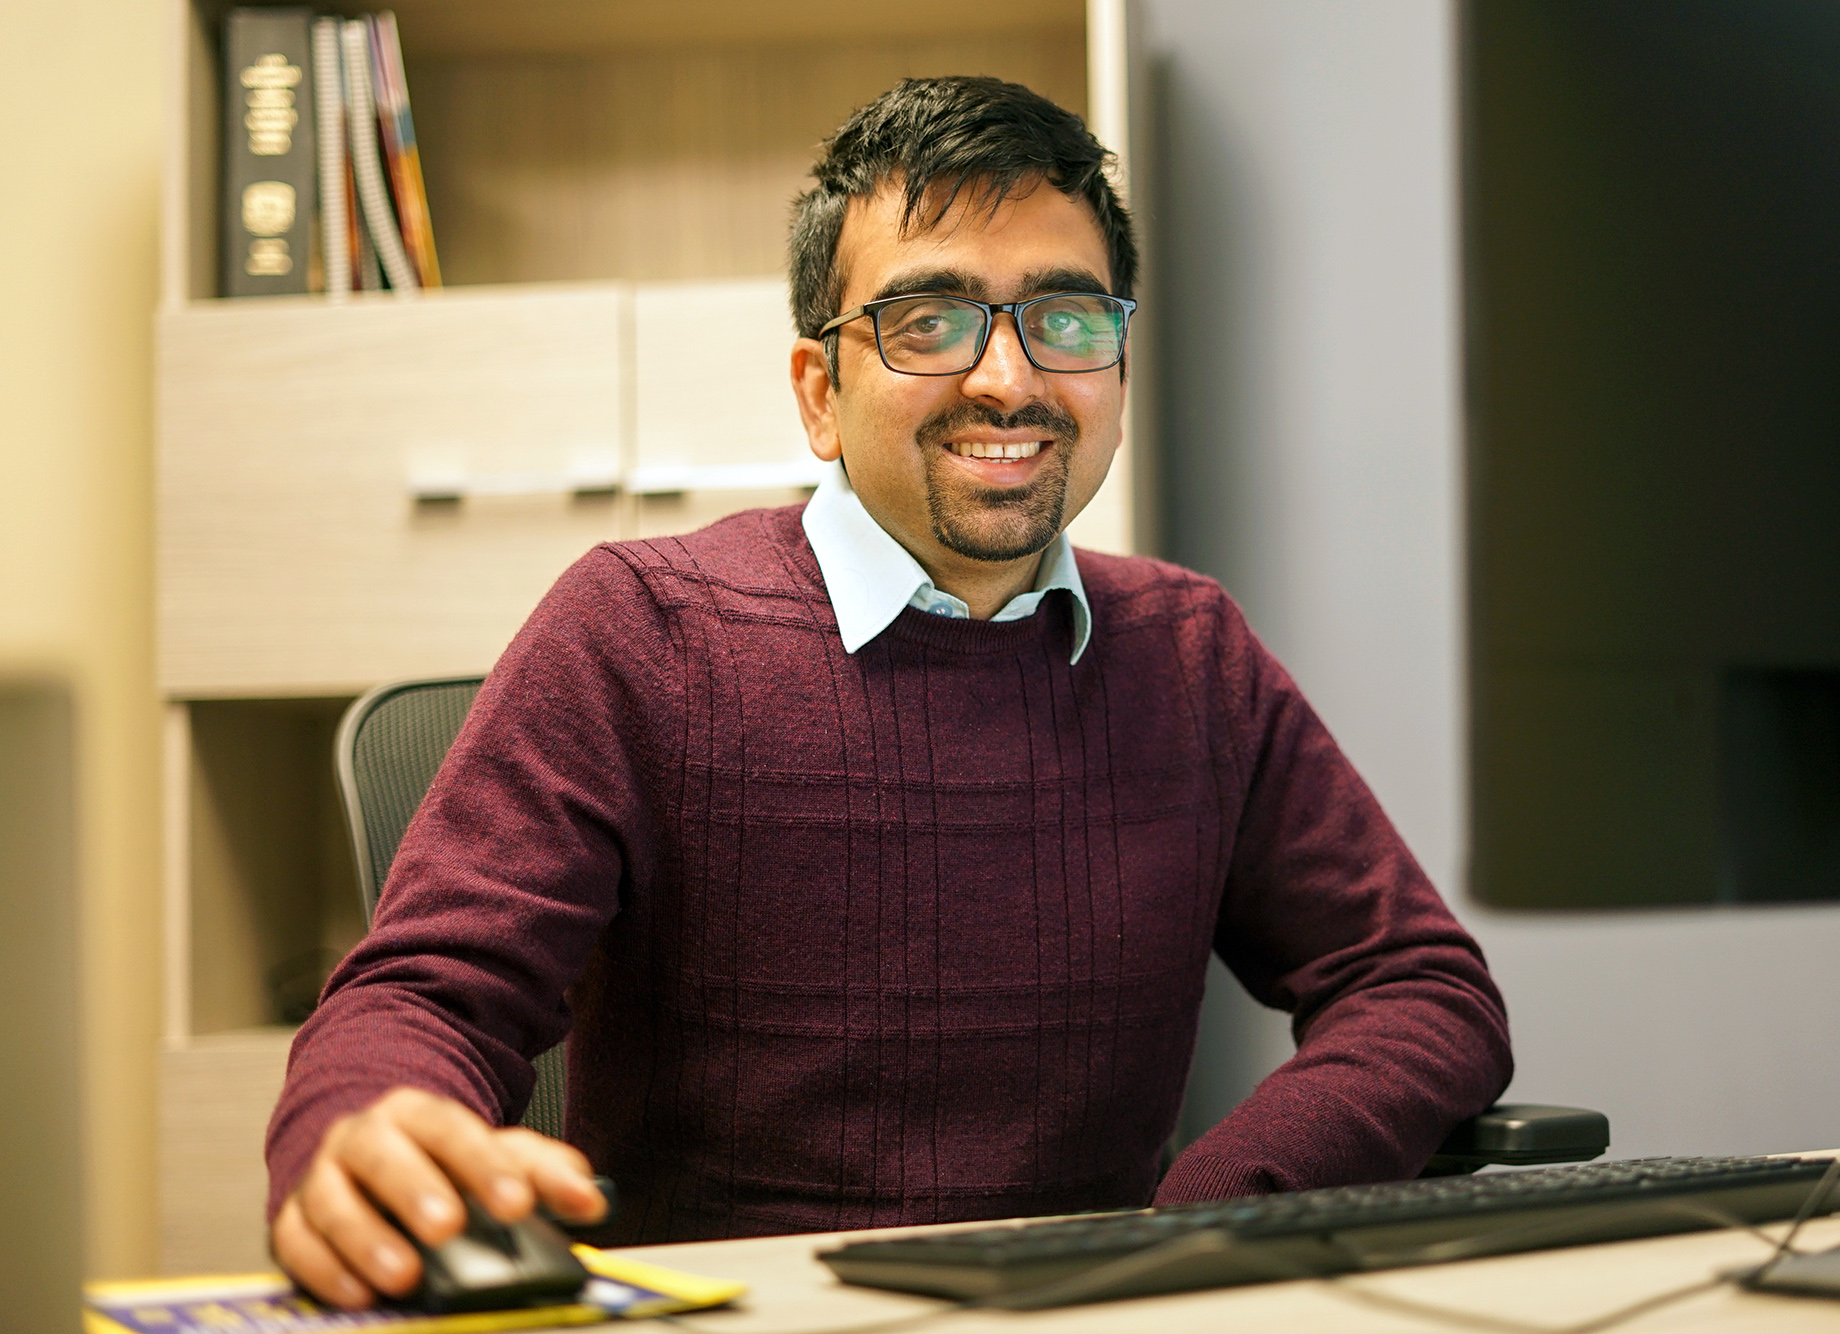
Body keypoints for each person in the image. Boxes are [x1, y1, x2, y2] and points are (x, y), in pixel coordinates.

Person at [265, 75, 1512, 1310]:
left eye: (1066, 318)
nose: (1009, 380)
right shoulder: (642, 629)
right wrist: (366, 1128)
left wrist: (1217, 1216)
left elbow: (1418, 985)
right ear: (819, 391)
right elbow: (425, 994)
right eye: (930, 321)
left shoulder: (1189, 653)